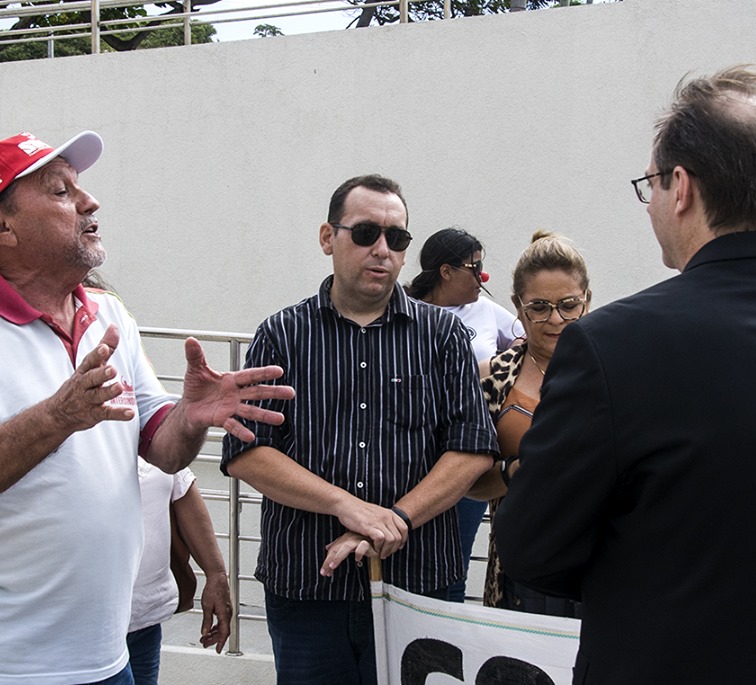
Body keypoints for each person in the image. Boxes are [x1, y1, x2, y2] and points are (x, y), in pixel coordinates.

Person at [0, 131, 293, 685]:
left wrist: (190, 417)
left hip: (101, 654)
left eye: (79, 187)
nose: (89, 202)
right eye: (60, 191)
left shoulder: (108, 312)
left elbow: (162, 448)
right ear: (0, 227)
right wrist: (57, 417)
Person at [495, 66, 756, 684]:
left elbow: (533, 547)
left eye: (650, 185)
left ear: (680, 187)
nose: (651, 202)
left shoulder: (610, 346)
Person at [221, 174, 498, 684]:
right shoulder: (282, 335)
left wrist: (396, 518)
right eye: (366, 233)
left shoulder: (443, 336)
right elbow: (247, 451)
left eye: (397, 238)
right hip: (308, 587)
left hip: (417, 585)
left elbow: (473, 448)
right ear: (328, 237)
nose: (382, 249)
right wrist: (345, 506)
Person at [470, 230, 589, 617]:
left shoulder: (617, 369)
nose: (555, 319)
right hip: (519, 572)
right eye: (539, 307)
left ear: (587, 301)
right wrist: (516, 470)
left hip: (602, 569)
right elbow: (469, 482)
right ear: (517, 308)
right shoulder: (492, 376)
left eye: (568, 305)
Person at [404, 227, 523, 603]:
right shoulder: (405, 311)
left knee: (452, 564)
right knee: (407, 557)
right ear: (446, 271)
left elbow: (530, 347)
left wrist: (488, 371)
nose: (482, 277)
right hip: (412, 457)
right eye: (475, 267)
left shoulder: (486, 311)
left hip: (467, 455)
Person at [128, 458, 232, 685]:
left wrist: (216, 574)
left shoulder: (151, 438)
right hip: (78, 627)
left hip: (144, 620)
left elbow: (181, 485)